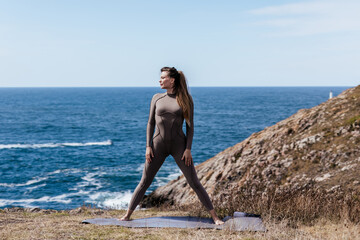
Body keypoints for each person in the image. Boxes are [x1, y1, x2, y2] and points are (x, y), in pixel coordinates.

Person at [119, 67, 224, 225]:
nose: (160, 80)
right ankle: (127, 215)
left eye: (163, 77)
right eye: (160, 78)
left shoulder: (186, 99)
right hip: (157, 146)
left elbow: (190, 126)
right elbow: (150, 123)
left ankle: (215, 217)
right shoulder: (156, 98)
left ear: (172, 80)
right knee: (145, 181)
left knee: (194, 182)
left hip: (179, 147)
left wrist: (188, 149)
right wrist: (148, 146)